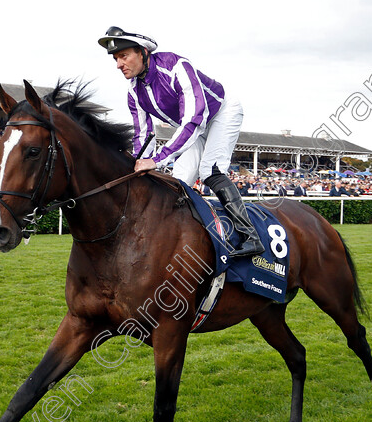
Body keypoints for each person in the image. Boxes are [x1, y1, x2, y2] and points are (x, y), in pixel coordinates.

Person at [98, 26, 263, 256]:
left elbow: (194, 118)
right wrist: (138, 163)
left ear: (143, 52)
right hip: (192, 127)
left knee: (210, 171)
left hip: (220, 114)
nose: (118, 64)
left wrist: (157, 160)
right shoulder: (134, 92)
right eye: (116, 59)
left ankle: (250, 236)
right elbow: (143, 135)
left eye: (123, 56)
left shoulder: (176, 66)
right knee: (178, 181)